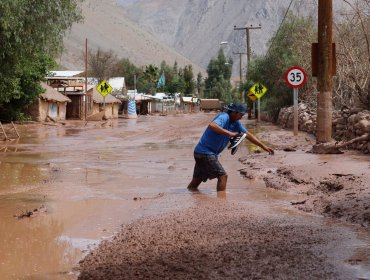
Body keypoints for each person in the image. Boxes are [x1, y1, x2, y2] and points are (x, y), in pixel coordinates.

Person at [187, 101, 274, 192]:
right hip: (206, 153)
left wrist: (263, 146)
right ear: (234, 112)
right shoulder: (224, 116)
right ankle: (222, 203)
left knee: (196, 181)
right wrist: (230, 133)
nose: (242, 117)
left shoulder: (236, 123)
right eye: (241, 114)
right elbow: (212, 125)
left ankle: (190, 197)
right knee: (223, 176)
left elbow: (248, 135)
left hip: (200, 152)